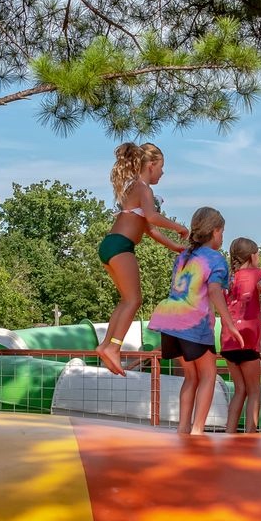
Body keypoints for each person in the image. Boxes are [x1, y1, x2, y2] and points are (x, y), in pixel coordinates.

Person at [96, 142, 187, 376]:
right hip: (121, 246)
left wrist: (176, 247)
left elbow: (149, 229)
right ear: (151, 165)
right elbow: (153, 217)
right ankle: (114, 347)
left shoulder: (132, 189)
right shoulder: (143, 188)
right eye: (162, 167)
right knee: (134, 300)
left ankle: (106, 345)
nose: (163, 172)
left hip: (111, 245)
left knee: (126, 300)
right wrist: (179, 228)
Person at [147, 207, 234, 435]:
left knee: (191, 377)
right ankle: (197, 429)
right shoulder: (216, 259)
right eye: (222, 232)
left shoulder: (184, 256)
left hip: (170, 320)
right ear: (215, 231)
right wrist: (229, 322)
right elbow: (214, 291)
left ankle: (183, 427)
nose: (222, 237)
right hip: (192, 322)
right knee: (208, 375)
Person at [221, 237, 261, 433]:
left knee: (240, 390)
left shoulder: (229, 278)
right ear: (253, 256)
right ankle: (250, 433)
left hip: (228, 342)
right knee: (254, 390)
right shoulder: (257, 274)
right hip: (248, 341)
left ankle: (229, 431)